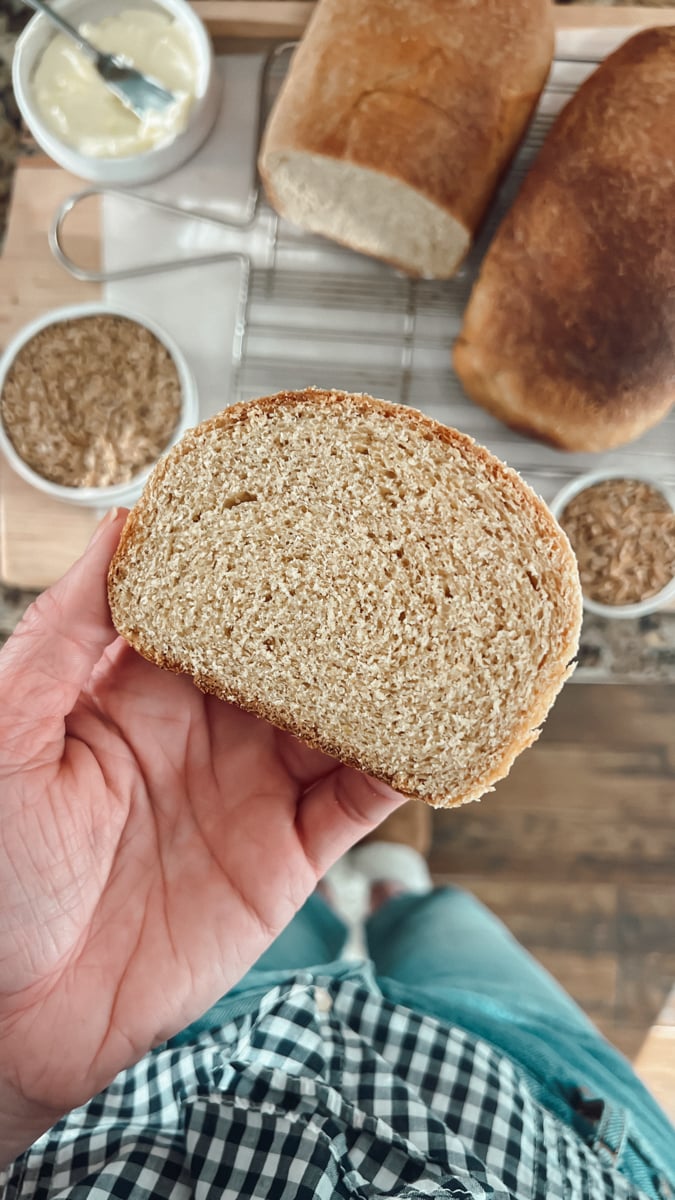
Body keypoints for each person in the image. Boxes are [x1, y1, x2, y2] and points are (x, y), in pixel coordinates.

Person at [0, 508, 673, 1200]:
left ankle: (328, 891)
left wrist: (11, 1076)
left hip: (163, 1052)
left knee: (285, 904)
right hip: (541, 1102)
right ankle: (391, 885)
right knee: (440, 919)